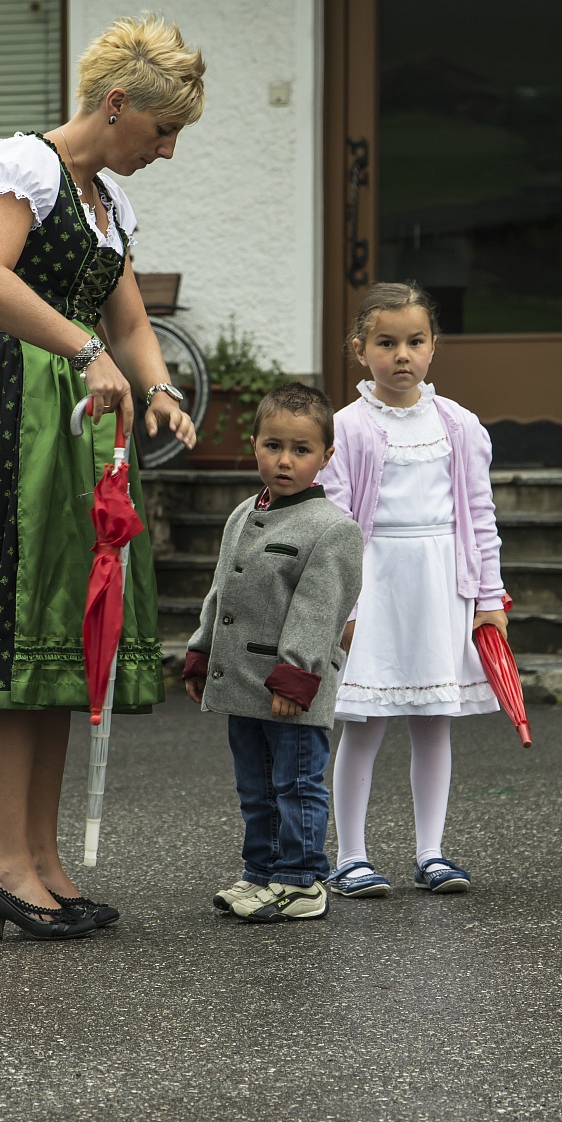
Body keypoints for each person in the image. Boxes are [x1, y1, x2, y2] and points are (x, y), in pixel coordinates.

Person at [0, 15, 205, 941]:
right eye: (161, 129)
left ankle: (43, 861)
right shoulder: (25, 168)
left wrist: (157, 390)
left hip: (80, 427)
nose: (166, 149)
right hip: (16, 419)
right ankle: (4, 864)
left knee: (67, 637)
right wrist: (80, 351)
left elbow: (132, 325)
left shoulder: (106, 198)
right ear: (116, 104)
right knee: (12, 631)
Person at [318, 282, 509, 897]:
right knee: (365, 721)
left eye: (415, 341)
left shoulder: (458, 425)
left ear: (434, 347)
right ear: (359, 349)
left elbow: (480, 517)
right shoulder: (345, 428)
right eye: (387, 342)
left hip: (439, 585)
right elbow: (337, 523)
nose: (402, 354)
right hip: (374, 584)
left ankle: (432, 851)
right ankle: (350, 855)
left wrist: (489, 599)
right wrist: (343, 604)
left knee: (434, 721)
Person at [183, 383, 364, 922]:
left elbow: (319, 609)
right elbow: (221, 590)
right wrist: (201, 651)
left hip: (291, 688)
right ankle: (261, 872)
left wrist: (295, 676)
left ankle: (302, 878)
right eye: (273, 445)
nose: (285, 461)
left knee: (296, 783)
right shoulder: (243, 513)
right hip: (242, 679)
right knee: (255, 786)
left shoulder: (333, 529)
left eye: (301, 450)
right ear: (255, 443)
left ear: (326, 457)